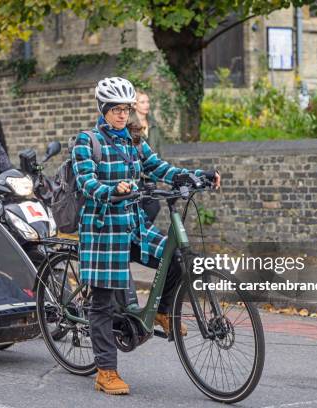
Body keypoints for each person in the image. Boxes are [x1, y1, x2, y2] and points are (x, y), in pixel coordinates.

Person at [72, 77, 220, 395]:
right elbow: (85, 182)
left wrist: (197, 176)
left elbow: (158, 167)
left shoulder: (134, 142)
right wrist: (112, 190)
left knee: (179, 257)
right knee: (102, 301)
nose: (123, 115)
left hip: (134, 224)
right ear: (103, 109)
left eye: (126, 109)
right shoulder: (87, 140)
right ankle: (106, 372)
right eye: (115, 110)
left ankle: (164, 311)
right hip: (103, 229)